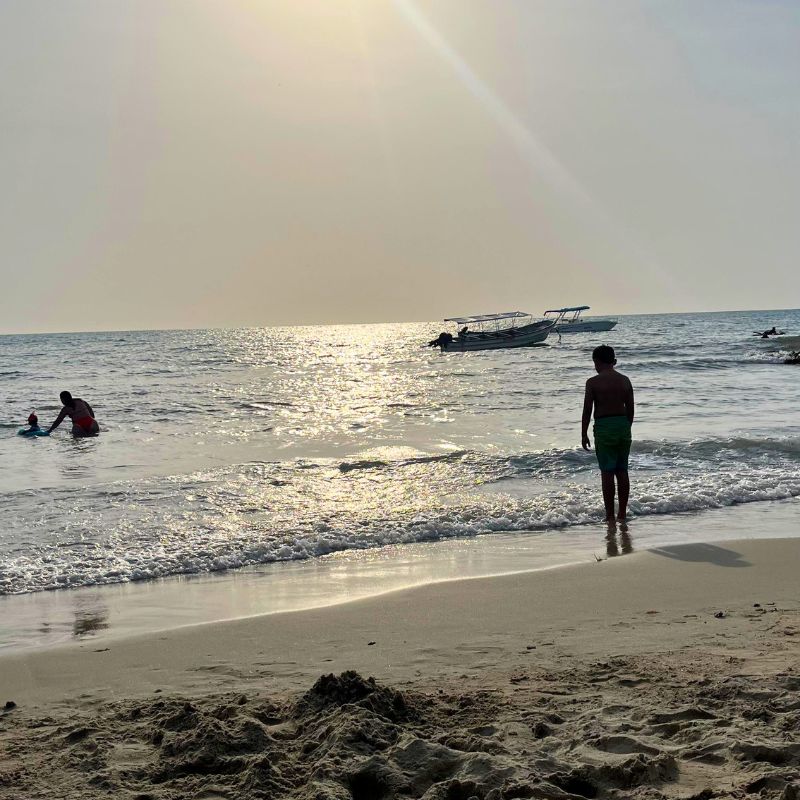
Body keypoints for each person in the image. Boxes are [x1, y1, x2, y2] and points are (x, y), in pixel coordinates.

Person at [581, 345, 634, 522]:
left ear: (597, 362)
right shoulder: (625, 380)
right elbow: (631, 409)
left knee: (607, 472)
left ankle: (610, 515)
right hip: (622, 425)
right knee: (622, 470)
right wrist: (627, 426)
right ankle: (622, 514)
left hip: (604, 427)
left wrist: (584, 433)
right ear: (613, 361)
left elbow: (587, 410)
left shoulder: (593, 382)